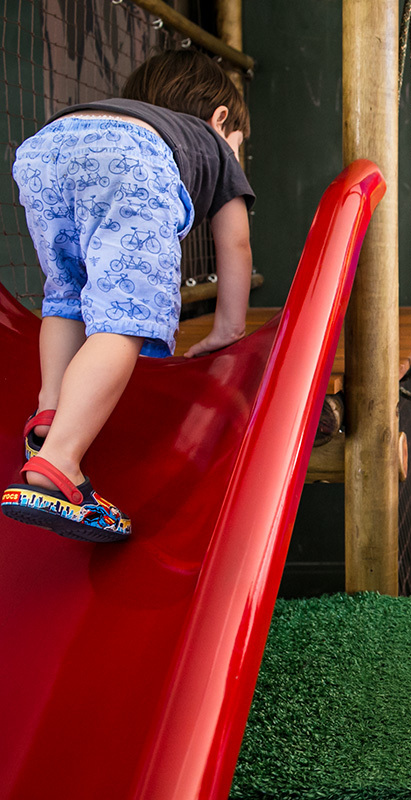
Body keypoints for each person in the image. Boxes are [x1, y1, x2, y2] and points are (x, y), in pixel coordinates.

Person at [1, 49, 254, 543]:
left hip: (45, 148)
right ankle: (59, 465)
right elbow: (236, 244)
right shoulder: (213, 145)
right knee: (125, 316)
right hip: (126, 159)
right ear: (221, 118)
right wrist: (229, 329)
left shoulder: (129, 115)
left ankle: (50, 414)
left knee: (68, 293)